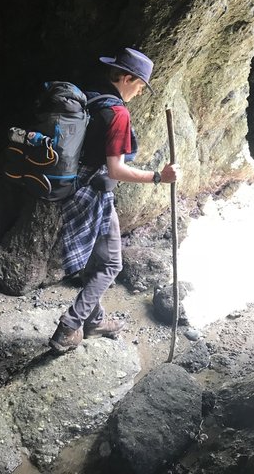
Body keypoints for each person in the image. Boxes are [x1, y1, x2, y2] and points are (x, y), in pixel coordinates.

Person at [49, 47, 181, 354]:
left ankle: (94, 320)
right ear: (126, 77)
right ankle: (69, 326)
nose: (139, 91)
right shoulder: (118, 113)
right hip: (92, 193)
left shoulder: (91, 98)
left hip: (71, 187)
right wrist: (160, 177)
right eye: (138, 84)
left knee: (100, 259)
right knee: (111, 264)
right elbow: (116, 169)